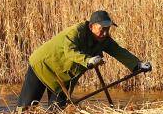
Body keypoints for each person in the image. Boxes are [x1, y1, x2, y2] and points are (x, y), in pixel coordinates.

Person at [17, 10, 151, 108]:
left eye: (108, 29)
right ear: (91, 26)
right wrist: (88, 60)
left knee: (57, 113)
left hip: (63, 78)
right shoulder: (76, 32)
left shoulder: (103, 39)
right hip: (43, 67)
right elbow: (70, 51)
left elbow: (118, 51)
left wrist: (137, 65)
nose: (105, 33)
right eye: (102, 29)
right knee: (26, 108)